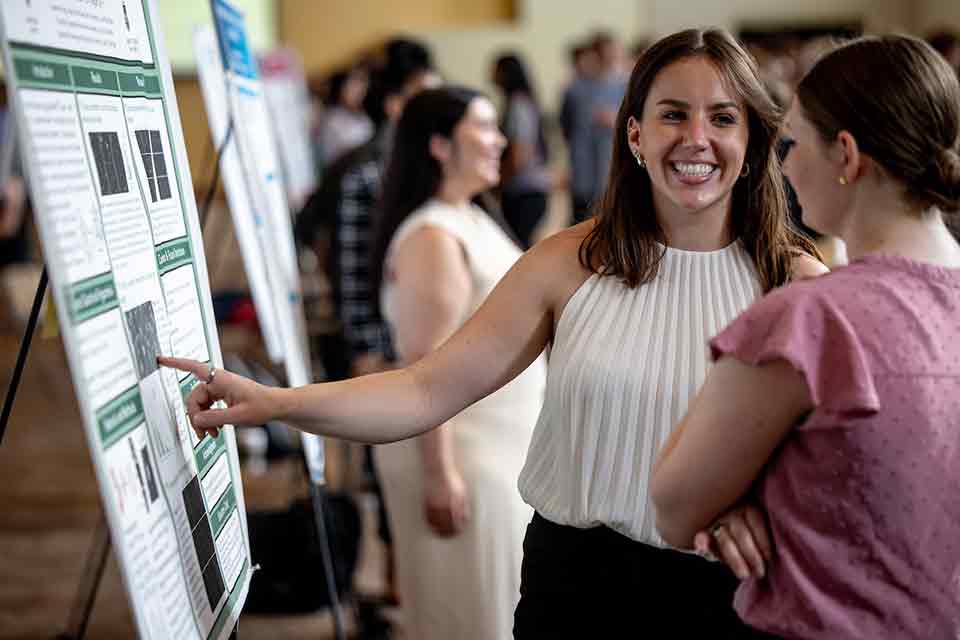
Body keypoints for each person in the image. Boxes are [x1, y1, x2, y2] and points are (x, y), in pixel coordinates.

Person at [161, 28, 823, 638]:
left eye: (724, 118)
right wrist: (277, 403)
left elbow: (843, 459)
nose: (697, 138)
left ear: (754, 139)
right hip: (577, 584)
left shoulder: (795, 281)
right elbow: (425, 390)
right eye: (673, 113)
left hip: (729, 594)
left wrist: (767, 505)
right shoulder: (570, 262)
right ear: (634, 136)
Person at [651, 34, 960, 639]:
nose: (784, 164)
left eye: (793, 142)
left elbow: (673, 505)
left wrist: (742, 496)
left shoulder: (809, 322)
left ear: (846, 155)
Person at [491, 53, 551, 249]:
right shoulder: (525, 102)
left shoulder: (518, 106)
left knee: (516, 250)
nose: (491, 75)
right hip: (531, 190)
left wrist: (498, 183)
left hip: (524, 192)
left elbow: (519, 155)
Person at [317, 63, 374, 168]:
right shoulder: (332, 119)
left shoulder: (363, 117)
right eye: (352, 85)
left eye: (361, 85)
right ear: (341, 88)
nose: (358, 91)